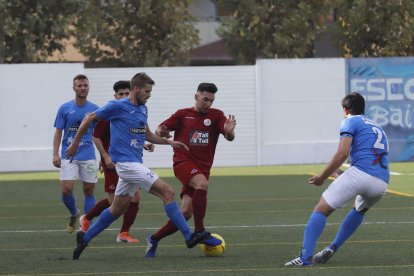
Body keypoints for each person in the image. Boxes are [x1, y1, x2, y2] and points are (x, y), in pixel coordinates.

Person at [66, 73, 214, 260]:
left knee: (117, 209)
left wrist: (169, 142)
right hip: (127, 165)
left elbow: (148, 135)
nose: (149, 95)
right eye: (147, 91)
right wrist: (74, 144)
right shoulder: (117, 106)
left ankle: (85, 237)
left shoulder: (143, 109)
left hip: (134, 164)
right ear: (136, 89)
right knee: (168, 192)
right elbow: (88, 118)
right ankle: (189, 236)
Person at [285, 92, 389, 266]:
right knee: (359, 210)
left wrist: (322, 177)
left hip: (360, 174)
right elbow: (372, 159)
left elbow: (342, 153)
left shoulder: (350, 121)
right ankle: (332, 247)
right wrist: (341, 174)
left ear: (345, 109)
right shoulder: (377, 126)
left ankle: (305, 258)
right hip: (381, 182)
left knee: (321, 210)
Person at [145, 82, 237, 257]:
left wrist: (230, 132)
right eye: (205, 99)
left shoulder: (217, 116)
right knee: (202, 184)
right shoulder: (182, 115)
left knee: (186, 213)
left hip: (203, 168)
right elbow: (160, 128)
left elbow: (229, 136)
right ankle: (200, 231)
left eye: (211, 100)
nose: (208, 103)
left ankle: (154, 238)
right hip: (183, 163)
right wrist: (162, 132)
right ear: (196, 97)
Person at [79, 80, 154, 243]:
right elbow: (96, 136)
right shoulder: (111, 111)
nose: (125, 96)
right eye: (121, 94)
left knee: (134, 197)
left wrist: (145, 143)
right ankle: (87, 218)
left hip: (128, 161)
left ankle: (124, 233)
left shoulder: (135, 110)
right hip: (113, 161)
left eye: (127, 93)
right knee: (115, 203)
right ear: (115, 95)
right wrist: (105, 157)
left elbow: (133, 134)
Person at [52, 74, 99, 234]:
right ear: (74, 88)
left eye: (85, 85)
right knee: (66, 189)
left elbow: (100, 134)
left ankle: (85, 224)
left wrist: (105, 155)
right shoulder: (65, 108)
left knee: (89, 190)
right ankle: (74, 214)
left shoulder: (95, 109)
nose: (83, 88)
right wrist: (55, 154)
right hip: (68, 156)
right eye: (79, 85)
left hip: (88, 155)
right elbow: (58, 132)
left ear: (88, 87)